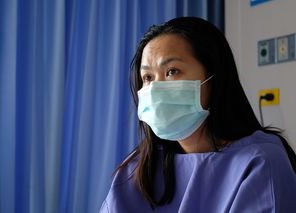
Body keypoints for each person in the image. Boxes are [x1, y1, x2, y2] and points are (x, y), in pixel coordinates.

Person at [100, 17, 296, 212]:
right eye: (148, 77)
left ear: (214, 78)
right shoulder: (137, 169)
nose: (156, 88)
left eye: (172, 71)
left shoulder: (260, 163)